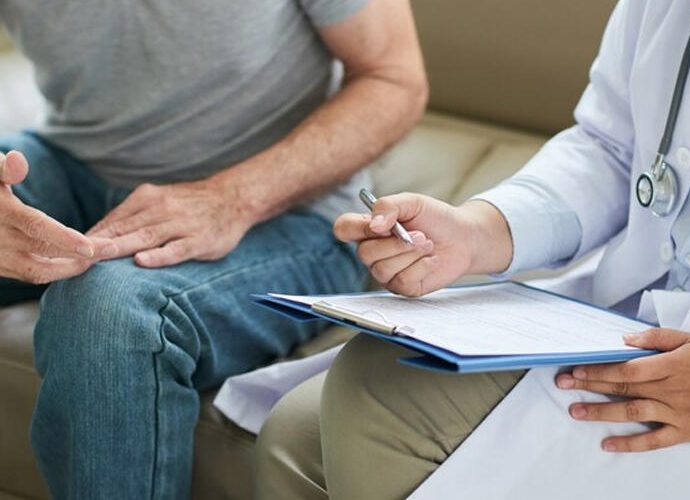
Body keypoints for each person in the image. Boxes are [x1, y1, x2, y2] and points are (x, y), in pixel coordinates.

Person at [256, 0, 690, 498]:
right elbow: (610, 151)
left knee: (377, 397)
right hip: (618, 332)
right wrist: (474, 233)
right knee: (296, 434)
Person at [0, 0, 426, 497]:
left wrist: (234, 197)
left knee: (108, 312)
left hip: (286, 211)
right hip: (75, 164)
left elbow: (394, 78)